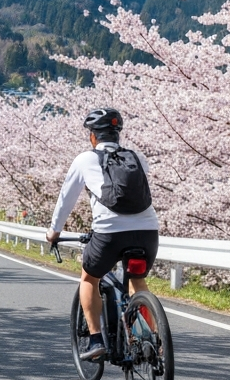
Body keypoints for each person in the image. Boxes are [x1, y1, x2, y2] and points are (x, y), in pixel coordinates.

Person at [45, 108, 159, 361]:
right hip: (148, 231)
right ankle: (150, 336)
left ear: (92, 137)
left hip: (109, 233)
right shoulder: (137, 157)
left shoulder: (85, 159)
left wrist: (54, 232)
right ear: (118, 134)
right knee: (137, 280)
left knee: (89, 278)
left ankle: (96, 340)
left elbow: (66, 199)